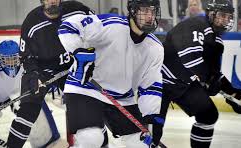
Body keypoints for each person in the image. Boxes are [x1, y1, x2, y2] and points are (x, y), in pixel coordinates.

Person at [58, 0, 164, 147]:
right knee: (91, 139)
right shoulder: (110, 25)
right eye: (145, 11)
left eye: (153, 11)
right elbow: (69, 26)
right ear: (133, 11)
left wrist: (151, 119)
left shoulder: (155, 48)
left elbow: (150, 87)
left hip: (122, 99)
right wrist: (78, 51)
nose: (150, 16)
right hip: (85, 89)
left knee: (142, 144)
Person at [159, 0, 241, 147]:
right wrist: (208, 79)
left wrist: (235, 95)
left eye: (228, 17)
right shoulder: (196, 24)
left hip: (183, 84)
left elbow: (214, 75)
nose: (225, 20)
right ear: (211, 14)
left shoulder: (217, 42)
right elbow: (190, 58)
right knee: (153, 127)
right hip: (159, 81)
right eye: (222, 15)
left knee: (208, 115)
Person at [5, 0, 95, 148]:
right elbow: (26, 56)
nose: (52, 1)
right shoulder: (31, 22)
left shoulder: (78, 10)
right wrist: (33, 75)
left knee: (84, 110)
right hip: (42, 70)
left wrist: (88, 57)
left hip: (72, 67)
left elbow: (98, 32)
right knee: (27, 110)